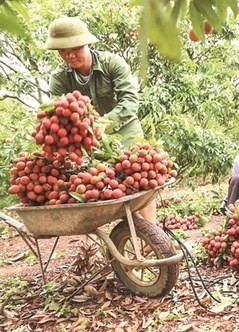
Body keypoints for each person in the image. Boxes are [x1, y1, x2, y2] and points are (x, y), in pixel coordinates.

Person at [44, 16, 156, 223]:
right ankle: (123, 231)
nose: (69, 55)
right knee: (101, 186)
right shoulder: (59, 78)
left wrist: (105, 123)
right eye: (62, 51)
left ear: (89, 43)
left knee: (141, 181)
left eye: (75, 48)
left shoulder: (112, 63)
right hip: (88, 139)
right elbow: (59, 114)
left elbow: (130, 100)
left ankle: (151, 229)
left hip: (125, 129)